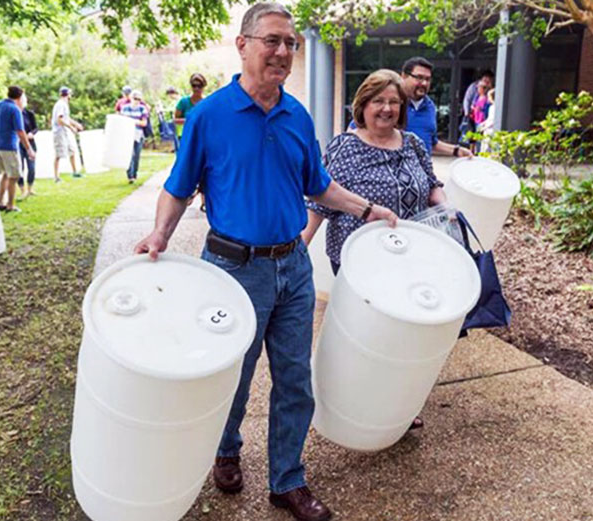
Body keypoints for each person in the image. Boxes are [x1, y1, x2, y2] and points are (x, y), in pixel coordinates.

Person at [133, 4, 397, 521]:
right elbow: (179, 187)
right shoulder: (209, 115)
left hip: (293, 267)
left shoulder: (298, 115)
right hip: (233, 269)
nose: (282, 51)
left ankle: (287, 480)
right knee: (233, 374)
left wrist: (367, 209)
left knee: (295, 378)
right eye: (272, 40)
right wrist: (159, 234)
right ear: (243, 45)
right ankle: (225, 450)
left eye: (290, 43)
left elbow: (318, 185)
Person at [302, 69, 447, 431]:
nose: (386, 108)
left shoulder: (413, 143)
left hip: (410, 259)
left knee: (404, 335)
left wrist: (447, 212)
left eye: (394, 102)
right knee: (366, 336)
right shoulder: (345, 147)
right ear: (362, 105)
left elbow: (432, 185)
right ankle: (349, 402)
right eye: (378, 101)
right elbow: (320, 202)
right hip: (360, 262)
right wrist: (298, 249)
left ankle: (395, 405)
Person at [349, 57, 471, 159]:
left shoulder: (430, 107)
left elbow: (431, 142)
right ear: (403, 76)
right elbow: (353, 133)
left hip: (422, 174)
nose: (424, 83)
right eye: (419, 77)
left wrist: (456, 150)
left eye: (427, 79)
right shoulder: (390, 108)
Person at [0, 86, 35, 213]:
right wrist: (29, 149)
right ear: (20, 97)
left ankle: (0, 202)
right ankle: (10, 205)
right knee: (14, 176)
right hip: (9, 146)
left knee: (5, 174)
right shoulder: (14, 109)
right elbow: (20, 131)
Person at [174, 73, 208, 210]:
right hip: (185, 138)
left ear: (204, 87)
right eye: (194, 85)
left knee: (205, 169)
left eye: (199, 86)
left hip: (203, 138)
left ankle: (204, 200)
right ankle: (186, 194)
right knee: (187, 166)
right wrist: (190, 121)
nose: (196, 88)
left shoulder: (207, 102)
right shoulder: (183, 102)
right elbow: (175, 119)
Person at [51, 86, 83, 182]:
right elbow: (60, 120)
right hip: (59, 132)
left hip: (65, 131)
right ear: (68, 94)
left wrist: (76, 124)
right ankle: (56, 177)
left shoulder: (64, 104)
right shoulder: (60, 104)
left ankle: (75, 172)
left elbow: (66, 118)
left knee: (72, 150)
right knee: (58, 154)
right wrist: (71, 127)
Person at [119, 89, 149, 183]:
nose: (136, 101)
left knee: (136, 155)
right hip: (127, 134)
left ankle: (134, 174)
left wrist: (133, 121)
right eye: (135, 98)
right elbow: (122, 120)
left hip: (138, 134)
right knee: (129, 155)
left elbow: (144, 123)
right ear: (131, 98)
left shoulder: (142, 109)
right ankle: (130, 176)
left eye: (139, 99)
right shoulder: (124, 108)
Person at [459, 69, 494, 146]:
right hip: (473, 117)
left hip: (482, 119)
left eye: (489, 80)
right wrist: (467, 112)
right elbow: (467, 99)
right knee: (471, 134)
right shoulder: (474, 88)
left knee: (479, 137)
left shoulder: (489, 91)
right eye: (485, 79)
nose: (486, 82)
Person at [17, 93, 38, 198]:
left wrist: (31, 134)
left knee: (31, 167)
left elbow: (35, 128)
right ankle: (22, 190)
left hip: (30, 142)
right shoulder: (14, 114)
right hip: (18, 143)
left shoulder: (29, 114)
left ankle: (30, 188)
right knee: (19, 167)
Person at [477, 88, 496, 153]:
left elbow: (493, 120)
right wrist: (483, 123)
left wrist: (485, 127)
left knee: (487, 148)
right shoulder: (491, 107)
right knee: (484, 146)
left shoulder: (494, 107)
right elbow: (489, 118)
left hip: (490, 130)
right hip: (487, 129)